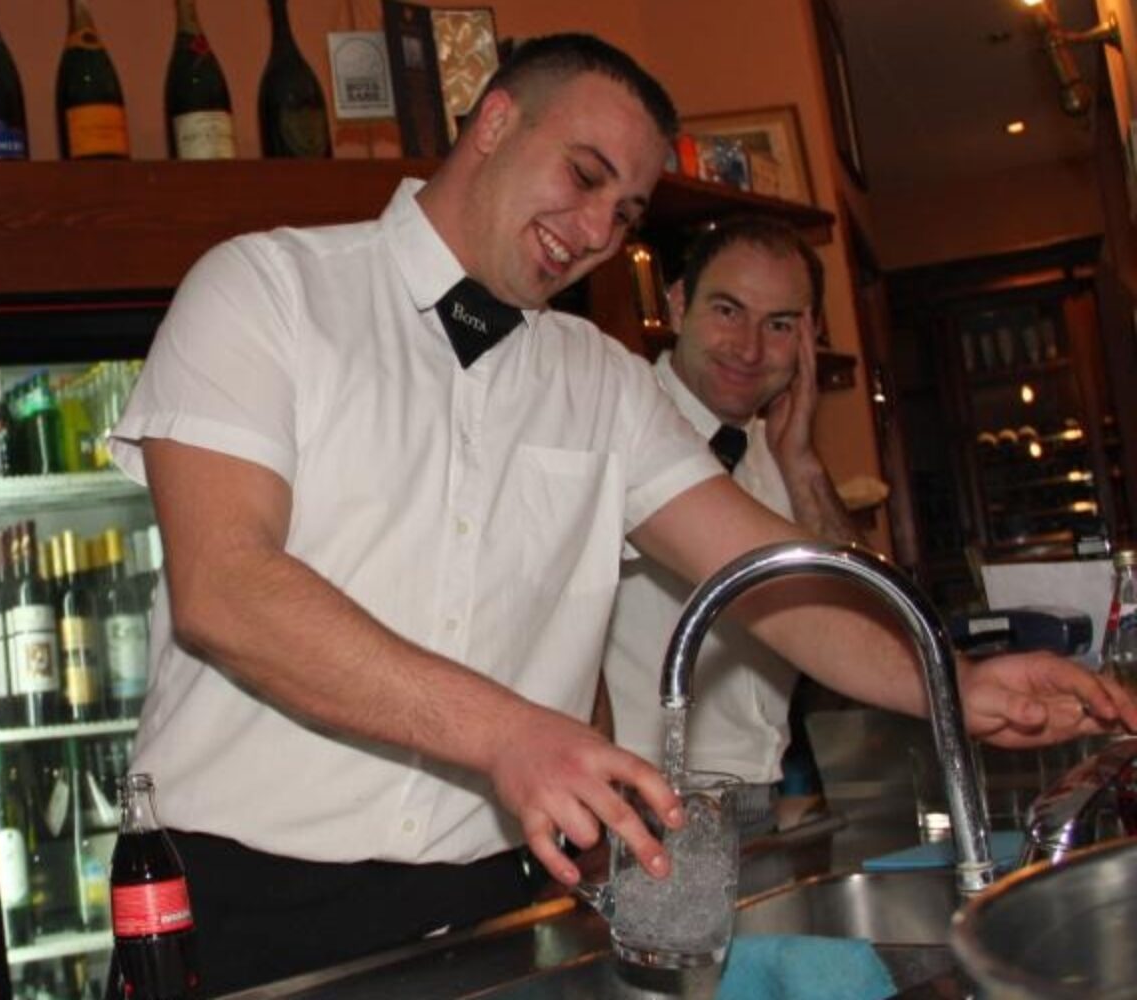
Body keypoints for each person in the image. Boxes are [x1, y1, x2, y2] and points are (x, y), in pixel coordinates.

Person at [109, 34, 1135, 997]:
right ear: (495, 122)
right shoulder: (267, 289)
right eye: (585, 175)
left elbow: (770, 579)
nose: (599, 230)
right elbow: (227, 587)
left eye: (627, 211)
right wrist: (508, 735)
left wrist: (951, 682)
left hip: (492, 901)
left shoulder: (601, 382)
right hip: (245, 902)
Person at [599, 216, 853, 839]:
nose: (749, 348)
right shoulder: (606, 421)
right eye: (727, 310)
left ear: (810, 337)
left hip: (758, 801)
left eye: (780, 325)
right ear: (677, 303)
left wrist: (803, 463)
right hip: (638, 809)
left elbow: (861, 620)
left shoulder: (778, 448)